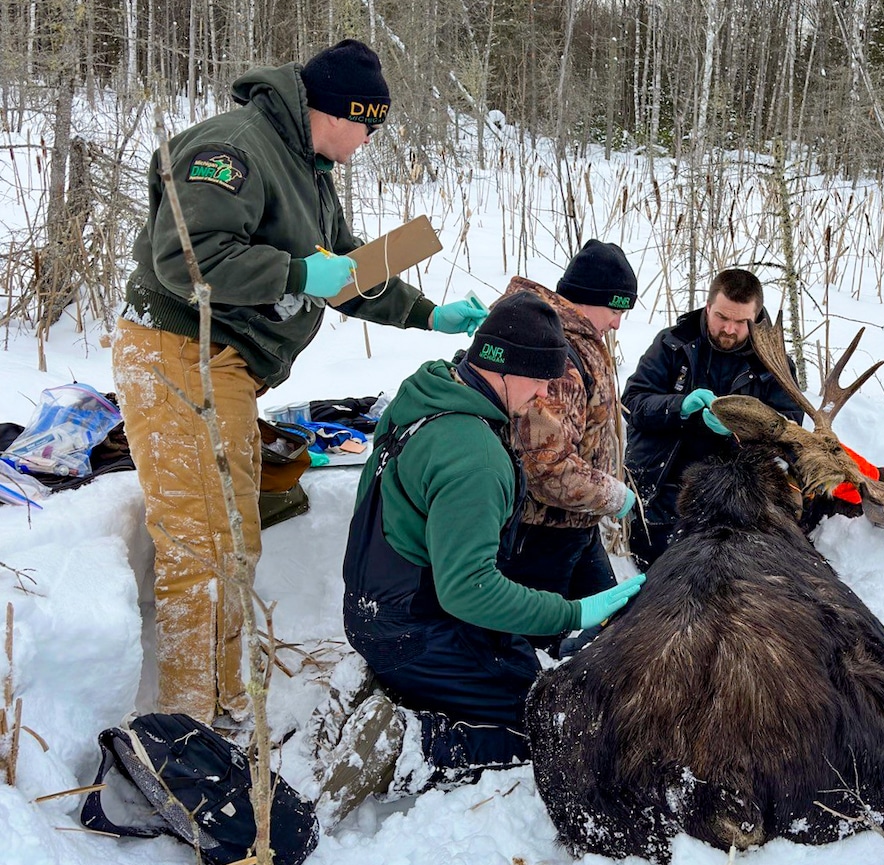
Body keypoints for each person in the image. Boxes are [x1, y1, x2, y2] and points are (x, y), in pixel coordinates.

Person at [112, 39, 487, 728]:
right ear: (339, 111)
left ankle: (224, 708)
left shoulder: (309, 166)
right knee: (203, 544)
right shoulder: (232, 148)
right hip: (177, 353)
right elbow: (186, 260)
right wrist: (293, 273)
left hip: (227, 367)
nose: (370, 140)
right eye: (369, 126)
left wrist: (430, 313)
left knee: (233, 538)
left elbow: (347, 266)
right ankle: (183, 729)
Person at [321, 292, 645, 822]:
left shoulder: (428, 393)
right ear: (505, 370)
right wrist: (573, 611)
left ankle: (394, 688)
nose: (545, 394)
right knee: (544, 727)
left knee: (521, 668)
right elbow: (469, 590)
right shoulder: (473, 455)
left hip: (380, 608)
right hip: (415, 628)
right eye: (540, 379)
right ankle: (411, 743)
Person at [496, 240, 639, 654]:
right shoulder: (556, 354)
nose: (617, 324)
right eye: (615, 311)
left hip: (576, 524)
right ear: (590, 302)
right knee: (535, 646)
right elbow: (546, 469)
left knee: (617, 629)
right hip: (540, 536)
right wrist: (612, 495)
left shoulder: (577, 336)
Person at [621, 268, 805, 569]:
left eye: (740, 322)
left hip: (739, 489)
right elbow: (633, 403)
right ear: (707, 307)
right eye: (721, 317)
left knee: (745, 569)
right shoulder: (672, 344)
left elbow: (789, 430)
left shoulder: (776, 365)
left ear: (755, 319)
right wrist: (681, 407)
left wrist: (742, 426)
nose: (729, 329)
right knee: (665, 568)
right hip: (667, 480)